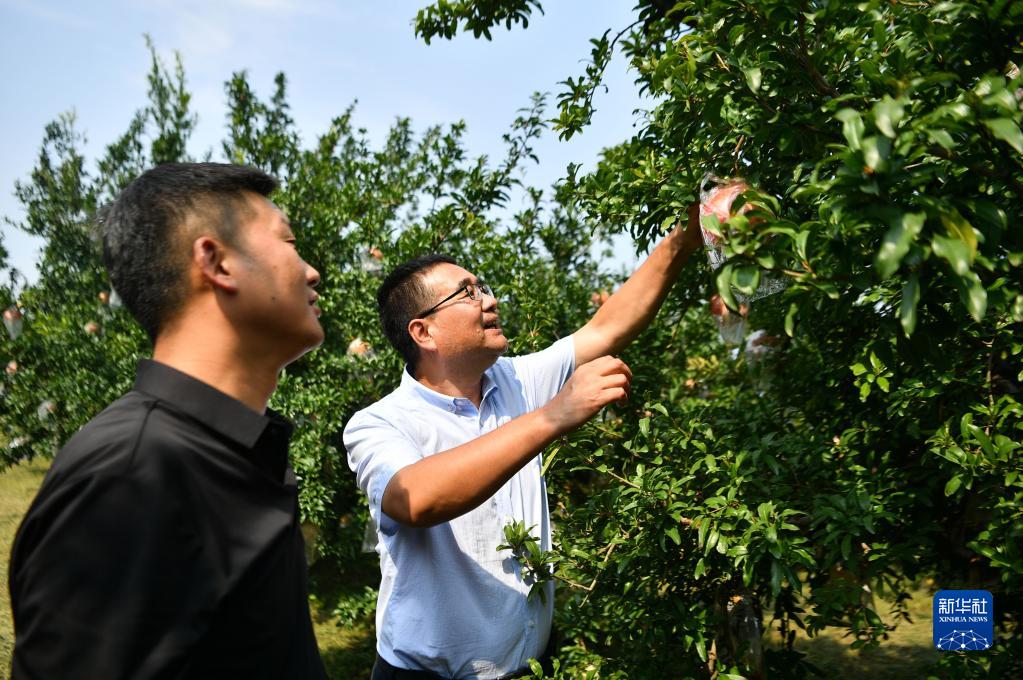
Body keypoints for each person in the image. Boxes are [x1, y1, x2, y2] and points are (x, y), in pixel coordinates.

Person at [344, 204, 704, 678]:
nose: (490, 301)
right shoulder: (378, 423)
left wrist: (688, 234)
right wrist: (554, 415)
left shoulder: (515, 380)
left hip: (531, 668)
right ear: (423, 331)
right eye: (467, 294)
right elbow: (416, 499)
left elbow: (606, 328)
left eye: (484, 288)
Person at [8, 163, 328, 679]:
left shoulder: (237, 448)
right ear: (217, 261)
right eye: (289, 243)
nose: (311, 271)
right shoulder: (133, 478)